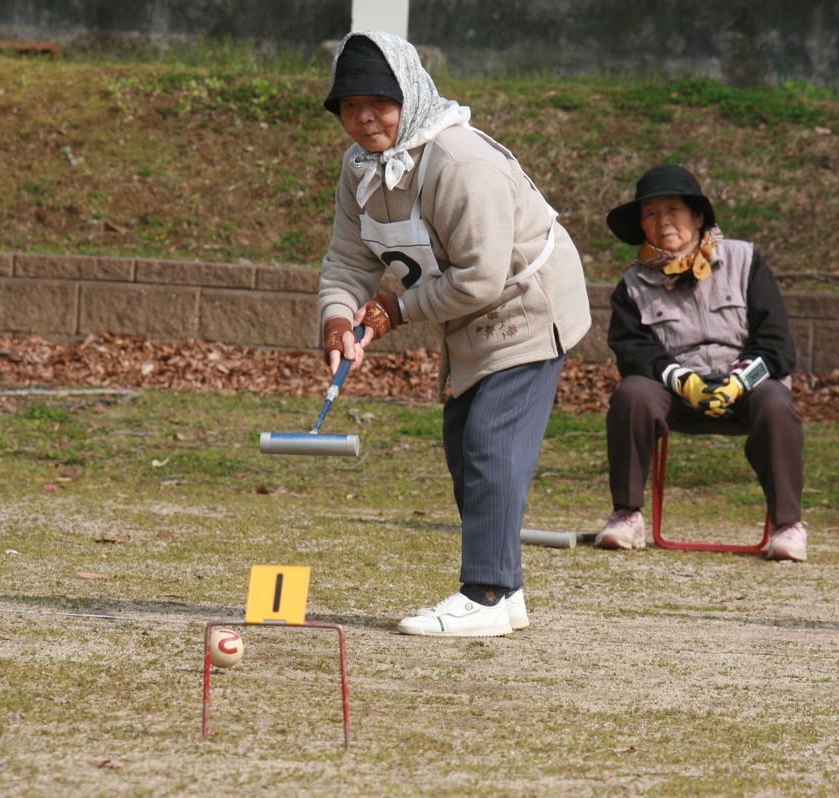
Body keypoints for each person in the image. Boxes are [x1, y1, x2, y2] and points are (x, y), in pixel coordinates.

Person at [317, 31, 592, 636]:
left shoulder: (460, 163)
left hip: (527, 304)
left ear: (409, 96)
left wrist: (391, 311)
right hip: (465, 315)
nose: (364, 118)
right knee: (463, 443)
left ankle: (486, 593)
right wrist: (339, 318)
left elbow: (483, 278)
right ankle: (507, 587)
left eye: (379, 102)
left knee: (492, 443)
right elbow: (347, 262)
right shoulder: (359, 169)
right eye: (349, 105)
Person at [600, 164, 807, 561]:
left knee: (776, 402)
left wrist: (738, 382)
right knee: (632, 394)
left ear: (697, 217)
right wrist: (684, 381)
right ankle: (626, 514)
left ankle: (788, 525)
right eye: (651, 214)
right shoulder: (632, 285)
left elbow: (777, 344)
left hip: (747, 387)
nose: (663, 222)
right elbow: (633, 352)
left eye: (673, 210)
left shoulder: (746, 261)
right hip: (674, 391)